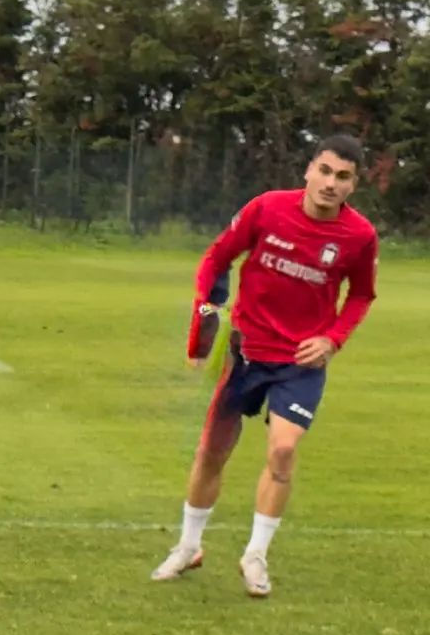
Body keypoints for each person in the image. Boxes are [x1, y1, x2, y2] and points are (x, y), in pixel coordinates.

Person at [150, 135, 378, 597]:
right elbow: (217, 257)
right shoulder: (267, 209)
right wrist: (208, 313)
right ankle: (189, 545)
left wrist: (332, 339)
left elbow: (360, 294)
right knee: (211, 453)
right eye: (326, 171)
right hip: (244, 353)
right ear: (309, 170)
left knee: (282, 452)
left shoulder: (358, 237)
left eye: (343, 177)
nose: (331, 183)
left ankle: (255, 555)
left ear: (354, 185)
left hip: (299, 364)